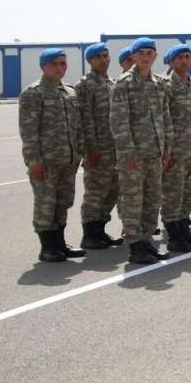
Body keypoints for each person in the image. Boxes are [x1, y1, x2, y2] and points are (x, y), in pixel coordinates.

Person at [19, 48, 86, 263]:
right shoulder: (34, 92)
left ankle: (60, 243)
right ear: (43, 66)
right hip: (46, 162)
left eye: (63, 64)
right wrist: (34, 161)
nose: (60, 68)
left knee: (63, 202)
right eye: (55, 64)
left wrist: (80, 153)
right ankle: (47, 247)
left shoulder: (70, 91)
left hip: (68, 160)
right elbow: (28, 132)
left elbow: (77, 127)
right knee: (46, 204)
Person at [111, 37, 169, 264]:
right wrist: (128, 153)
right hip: (134, 155)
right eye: (141, 53)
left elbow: (165, 118)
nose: (146, 57)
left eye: (149, 53)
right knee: (133, 200)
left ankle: (146, 240)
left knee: (153, 199)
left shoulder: (159, 83)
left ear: (155, 56)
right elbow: (118, 121)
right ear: (133, 57)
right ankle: (135, 245)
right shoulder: (124, 83)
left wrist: (167, 148)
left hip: (155, 152)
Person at [158, 45, 191, 252]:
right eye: (180, 57)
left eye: (188, 57)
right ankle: (174, 235)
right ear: (171, 61)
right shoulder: (165, 86)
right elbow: (162, 119)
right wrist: (166, 150)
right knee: (173, 193)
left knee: (188, 192)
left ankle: (184, 230)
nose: (185, 61)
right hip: (176, 150)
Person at [74, 43, 122, 249]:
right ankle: (90, 234)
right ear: (90, 61)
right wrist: (90, 149)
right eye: (98, 56)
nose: (103, 59)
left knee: (112, 190)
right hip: (98, 150)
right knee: (95, 192)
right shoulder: (85, 85)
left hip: (115, 149)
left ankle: (100, 229)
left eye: (106, 55)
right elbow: (85, 120)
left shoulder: (111, 83)